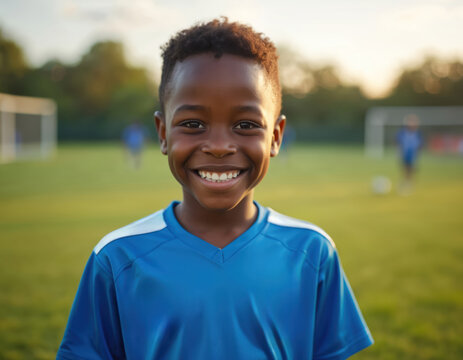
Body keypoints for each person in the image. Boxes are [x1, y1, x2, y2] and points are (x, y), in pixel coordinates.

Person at [57, 18, 373, 359]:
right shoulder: (117, 257)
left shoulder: (312, 252)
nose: (220, 145)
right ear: (163, 134)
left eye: (246, 124)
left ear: (276, 137)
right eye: (193, 124)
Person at [396, 114, 422, 194]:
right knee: (404, 169)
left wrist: (417, 154)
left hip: (413, 155)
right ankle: (405, 183)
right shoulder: (402, 132)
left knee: (411, 170)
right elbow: (398, 142)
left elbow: (419, 144)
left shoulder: (417, 133)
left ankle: (409, 184)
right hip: (404, 153)